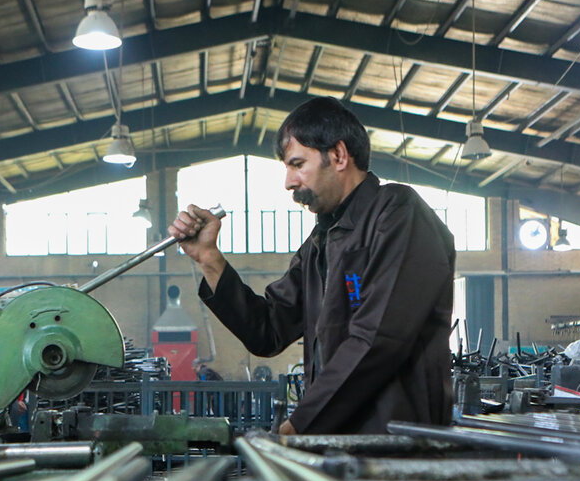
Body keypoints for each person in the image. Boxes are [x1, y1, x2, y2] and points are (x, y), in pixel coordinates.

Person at [169, 96, 454, 435]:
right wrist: (209, 259)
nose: (288, 182)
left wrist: (299, 425)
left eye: (297, 164)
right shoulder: (322, 242)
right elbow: (268, 331)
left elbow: (377, 338)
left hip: (396, 446)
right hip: (338, 444)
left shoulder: (398, 215)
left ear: (338, 156)